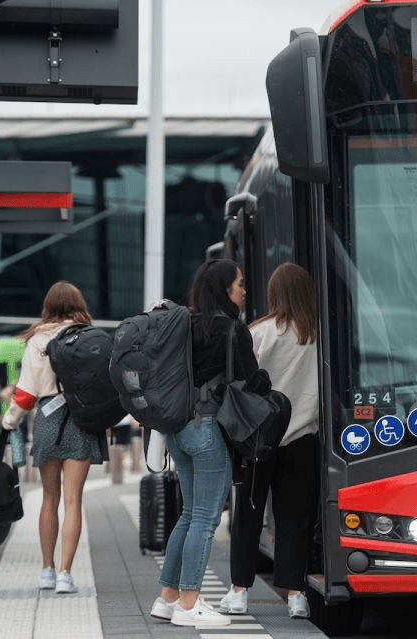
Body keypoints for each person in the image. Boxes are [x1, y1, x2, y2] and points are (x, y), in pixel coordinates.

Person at [149, 258, 260, 628]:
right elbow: (252, 381)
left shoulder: (185, 326)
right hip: (210, 430)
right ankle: (189, 603)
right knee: (206, 519)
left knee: (189, 513)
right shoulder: (232, 330)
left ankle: (166, 599)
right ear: (225, 289)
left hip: (178, 430)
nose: (244, 289)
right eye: (240, 283)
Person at [219, 262, 318, 620]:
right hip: (303, 438)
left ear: (274, 294)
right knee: (295, 518)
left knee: (248, 514)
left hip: (259, 440)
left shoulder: (257, 333)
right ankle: (296, 594)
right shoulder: (318, 335)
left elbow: (244, 387)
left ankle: (239, 591)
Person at [0, 281, 108, 595]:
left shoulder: (37, 339)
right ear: (79, 303)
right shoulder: (89, 336)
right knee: (74, 500)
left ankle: (46, 571)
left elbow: (25, 393)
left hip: (48, 418)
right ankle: (65, 574)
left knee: (50, 498)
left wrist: (9, 422)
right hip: (83, 419)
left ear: (47, 306)